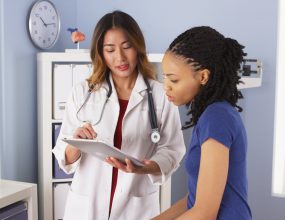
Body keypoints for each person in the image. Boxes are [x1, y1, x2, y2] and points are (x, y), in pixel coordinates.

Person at [52, 10, 185, 220]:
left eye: (127, 47)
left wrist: (149, 167)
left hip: (136, 208)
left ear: (137, 47)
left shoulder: (160, 95)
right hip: (87, 208)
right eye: (110, 49)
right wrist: (74, 144)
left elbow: (173, 148)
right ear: (101, 53)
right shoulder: (82, 92)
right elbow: (64, 156)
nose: (120, 58)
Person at [153, 26, 252, 220]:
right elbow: (196, 198)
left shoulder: (216, 117)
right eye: (165, 77)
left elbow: (204, 213)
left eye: (174, 80)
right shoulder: (213, 114)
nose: (166, 87)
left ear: (203, 76)